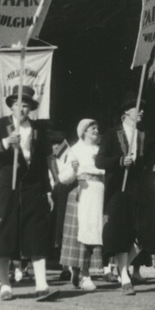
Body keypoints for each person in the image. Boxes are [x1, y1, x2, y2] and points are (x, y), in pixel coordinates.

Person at [0, 86, 57, 301]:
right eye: (18, 104)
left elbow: (43, 163)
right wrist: (6, 143)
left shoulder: (37, 130)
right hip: (6, 188)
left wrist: (47, 191)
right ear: (11, 106)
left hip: (32, 186)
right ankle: (5, 285)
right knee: (3, 233)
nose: (22, 108)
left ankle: (41, 284)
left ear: (31, 108)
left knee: (36, 232)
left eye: (26, 105)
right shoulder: (0, 125)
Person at [97, 95, 155, 296]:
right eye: (138, 108)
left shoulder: (144, 134)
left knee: (147, 232)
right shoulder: (112, 135)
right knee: (121, 233)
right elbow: (100, 161)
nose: (142, 111)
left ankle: (123, 268)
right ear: (125, 113)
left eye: (143, 109)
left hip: (142, 190)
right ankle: (125, 277)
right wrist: (120, 162)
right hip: (119, 190)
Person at [58, 119, 106, 292]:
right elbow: (63, 178)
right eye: (92, 127)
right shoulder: (75, 150)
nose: (96, 130)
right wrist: (72, 168)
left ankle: (81, 271)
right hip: (83, 194)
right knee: (83, 234)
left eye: (96, 127)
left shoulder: (100, 150)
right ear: (84, 131)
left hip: (99, 193)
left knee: (95, 232)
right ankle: (83, 273)